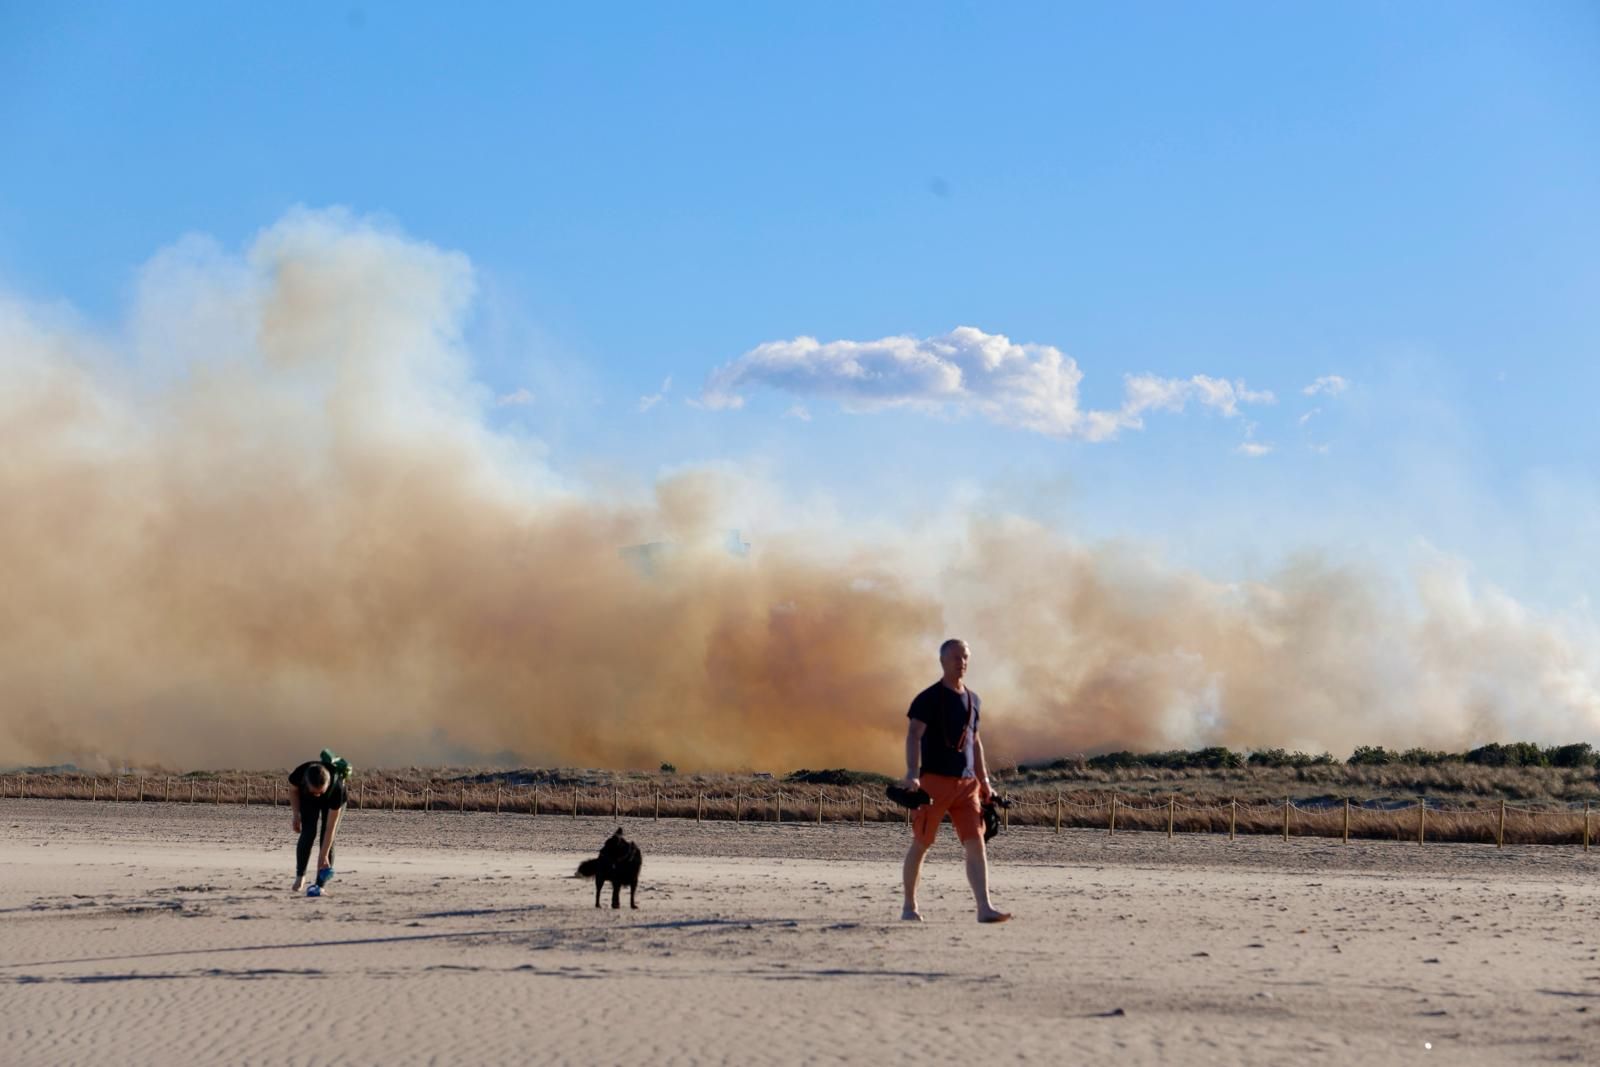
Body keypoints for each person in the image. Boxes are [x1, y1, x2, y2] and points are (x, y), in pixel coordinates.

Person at [897, 638, 1011, 923]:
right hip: (934, 783)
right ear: (943, 661)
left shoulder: (974, 700)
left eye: (965, 657)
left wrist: (985, 781)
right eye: (956, 657)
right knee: (921, 843)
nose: (962, 662)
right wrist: (912, 772)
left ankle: (984, 907)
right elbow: (913, 735)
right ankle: (909, 906)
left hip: (967, 785)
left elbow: (975, 742)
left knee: (976, 843)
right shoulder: (928, 698)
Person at [288, 754, 348, 893]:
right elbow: (293, 790)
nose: (318, 795)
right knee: (308, 832)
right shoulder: (299, 774)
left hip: (332, 803)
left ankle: (320, 884)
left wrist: (323, 855)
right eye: (315, 792)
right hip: (307, 801)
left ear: (327, 784)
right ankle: (300, 876)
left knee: (327, 842)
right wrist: (296, 815)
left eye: (320, 792)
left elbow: (330, 829)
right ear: (306, 783)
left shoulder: (337, 789)